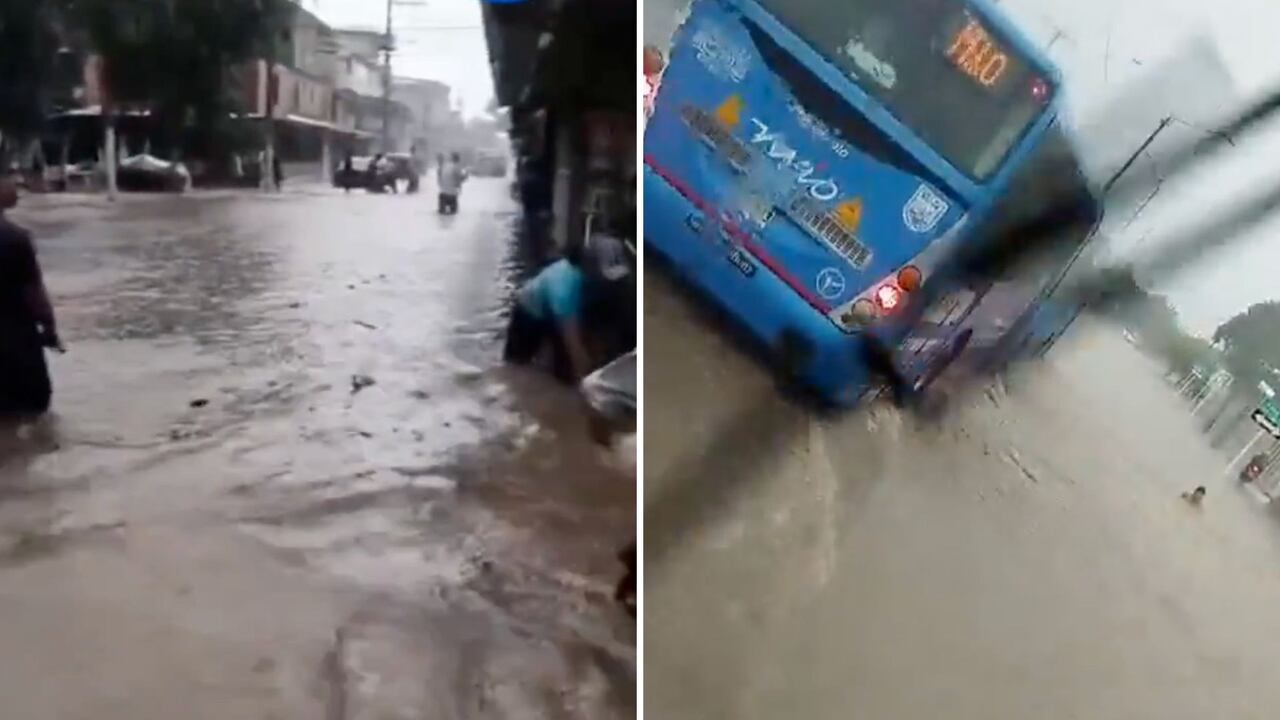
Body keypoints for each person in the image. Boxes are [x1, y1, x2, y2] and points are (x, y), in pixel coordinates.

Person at [0, 178, 62, 420]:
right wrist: (49, 328)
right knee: (30, 413)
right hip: (16, 340)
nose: (14, 187)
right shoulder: (16, 238)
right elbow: (34, 291)